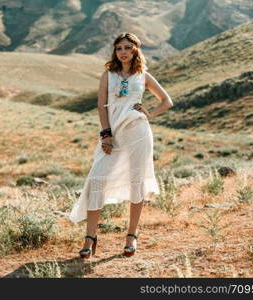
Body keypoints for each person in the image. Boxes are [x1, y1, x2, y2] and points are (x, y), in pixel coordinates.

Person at [68, 32, 174, 259]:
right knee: (98, 178)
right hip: (113, 134)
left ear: (135, 49)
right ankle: (90, 237)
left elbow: (167, 101)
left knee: (137, 181)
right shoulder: (108, 74)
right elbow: (101, 106)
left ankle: (131, 237)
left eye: (127, 47)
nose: (123, 52)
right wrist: (106, 134)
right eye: (119, 48)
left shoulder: (143, 75)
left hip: (138, 133)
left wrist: (149, 114)